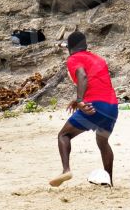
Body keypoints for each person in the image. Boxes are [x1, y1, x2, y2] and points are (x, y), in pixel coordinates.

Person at [51, 30, 119, 187]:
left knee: (64, 135)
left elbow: (82, 75)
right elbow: (97, 83)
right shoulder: (98, 59)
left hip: (94, 107)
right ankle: (109, 181)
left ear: (70, 48)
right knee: (102, 142)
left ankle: (66, 169)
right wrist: (78, 99)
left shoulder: (73, 58)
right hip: (112, 108)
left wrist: (81, 100)